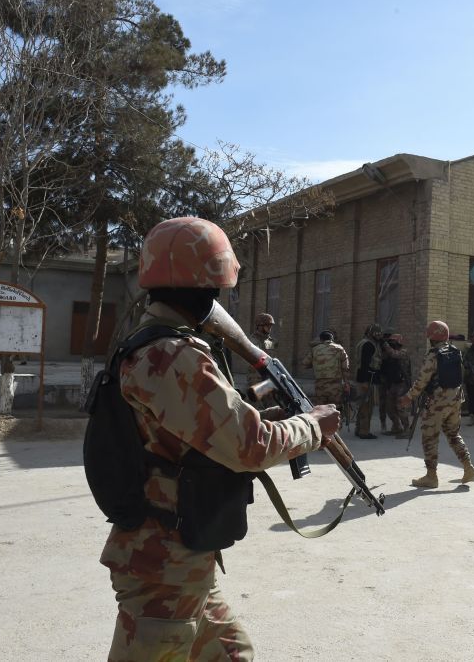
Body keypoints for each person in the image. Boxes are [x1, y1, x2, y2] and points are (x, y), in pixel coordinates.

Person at [102, 216, 341, 660]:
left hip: (181, 554)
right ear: (209, 284)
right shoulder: (173, 354)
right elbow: (248, 448)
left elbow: (196, 431)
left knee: (233, 654)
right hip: (164, 563)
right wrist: (313, 427)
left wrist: (263, 416)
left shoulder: (162, 345)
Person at [398, 320, 474, 488]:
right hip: (455, 400)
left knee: (429, 437)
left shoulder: (433, 354)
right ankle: (468, 467)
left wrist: (409, 397)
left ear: (432, 337)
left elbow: (422, 380)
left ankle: (431, 476)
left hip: (437, 402)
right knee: (454, 435)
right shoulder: (456, 351)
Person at [303, 329, 351, 425]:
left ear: (321, 339)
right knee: (335, 409)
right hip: (335, 386)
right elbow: (346, 368)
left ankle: (322, 434)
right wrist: (346, 383)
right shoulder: (339, 348)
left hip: (320, 386)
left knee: (320, 410)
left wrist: (315, 363)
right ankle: (336, 433)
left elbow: (304, 364)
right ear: (332, 339)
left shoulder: (315, 349)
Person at [377, 333, 411, 435]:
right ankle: (396, 427)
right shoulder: (388, 353)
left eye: (393, 342)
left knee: (400, 407)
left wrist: (385, 344)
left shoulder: (403, 352)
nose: (391, 344)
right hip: (393, 384)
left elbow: (394, 354)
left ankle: (406, 429)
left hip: (403, 384)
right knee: (389, 407)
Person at [353, 323, 383, 439]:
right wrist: (365, 381)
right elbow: (365, 364)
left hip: (363, 378)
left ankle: (358, 429)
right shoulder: (369, 345)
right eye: (377, 333)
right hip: (367, 378)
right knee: (367, 406)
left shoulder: (363, 342)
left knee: (362, 405)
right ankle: (364, 432)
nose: (379, 335)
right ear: (371, 333)